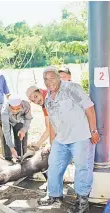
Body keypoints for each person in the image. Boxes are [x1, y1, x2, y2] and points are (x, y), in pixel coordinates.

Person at [37, 66, 100, 213]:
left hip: (81, 136)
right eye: (46, 79)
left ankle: (82, 203)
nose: (49, 82)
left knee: (83, 168)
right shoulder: (48, 98)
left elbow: (89, 108)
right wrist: (52, 143)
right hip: (62, 138)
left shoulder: (72, 88)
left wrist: (94, 130)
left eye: (52, 78)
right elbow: (53, 124)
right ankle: (54, 195)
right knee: (53, 165)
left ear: (59, 77)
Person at [1, 95, 32, 161]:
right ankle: (8, 158)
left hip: (19, 121)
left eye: (17, 108)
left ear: (21, 105)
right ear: (9, 106)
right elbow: (6, 131)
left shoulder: (26, 105)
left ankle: (21, 157)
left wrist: (23, 130)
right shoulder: (4, 111)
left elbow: (28, 119)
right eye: (12, 109)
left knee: (21, 134)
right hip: (8, 122)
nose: (15, 111)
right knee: (5, 136)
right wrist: (12, 148)